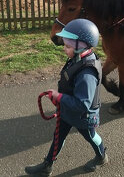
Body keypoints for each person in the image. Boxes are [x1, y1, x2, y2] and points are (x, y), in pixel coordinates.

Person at [25, 19, 108, 176]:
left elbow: (83, 104)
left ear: (81, 46)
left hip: (84, 116)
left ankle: (101, 156)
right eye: (65, 45)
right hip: (67, 110)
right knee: (58, 136)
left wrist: (59, 96)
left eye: (68, 46)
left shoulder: (87, 73)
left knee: (91, 137)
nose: (64, 49)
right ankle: (47, 165)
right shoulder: (78, 57)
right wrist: (60, 98)